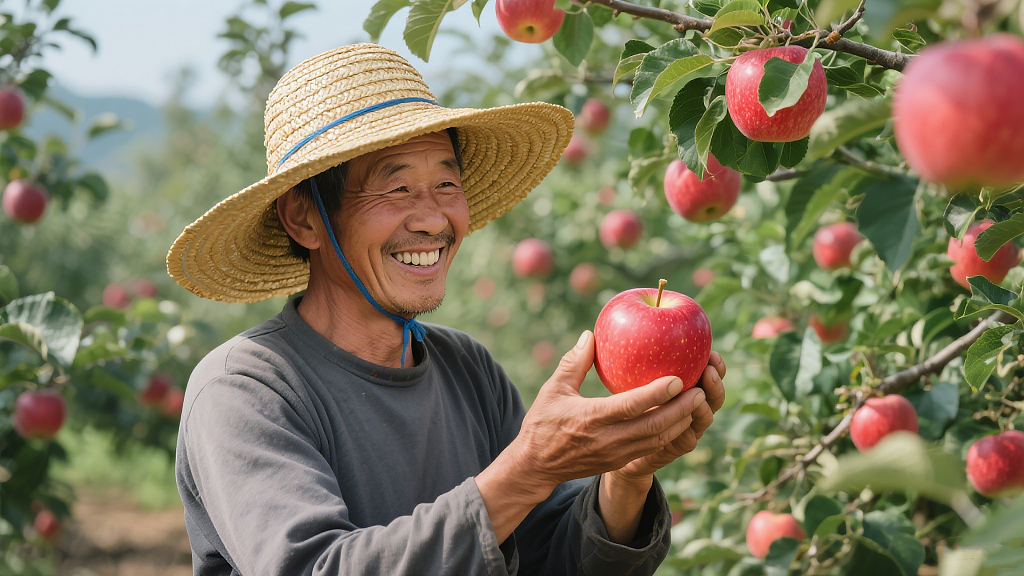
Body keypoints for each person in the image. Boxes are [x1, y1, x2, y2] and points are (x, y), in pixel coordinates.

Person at [167, 43, 726, 576]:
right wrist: (528, 469)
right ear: (305, 219)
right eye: (397, 189)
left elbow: (550, 558)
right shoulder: (245, 390)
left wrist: (627, 474)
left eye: (445, 183)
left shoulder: (467, 369)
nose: (433, 219)